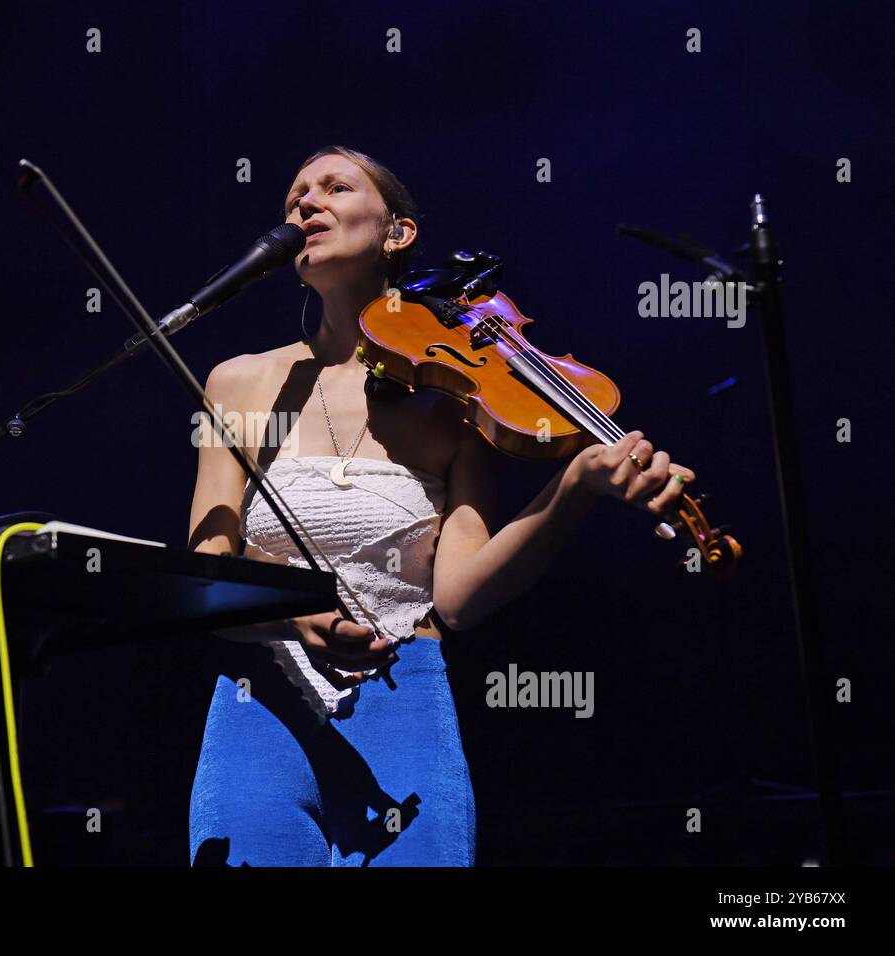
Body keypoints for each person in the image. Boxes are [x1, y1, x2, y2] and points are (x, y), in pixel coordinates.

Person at [185, 145, 694, 866]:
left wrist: (572, 488)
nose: (306, 204)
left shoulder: (455, 394)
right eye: (296, 195)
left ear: (398, 233)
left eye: (335, 187)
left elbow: (458, 598)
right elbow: (207, 566)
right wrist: (292, 615)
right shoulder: (234, 383)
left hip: (403, 699)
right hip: (255, 706)